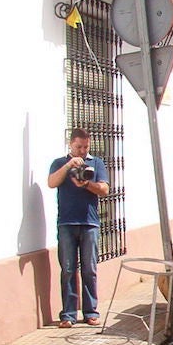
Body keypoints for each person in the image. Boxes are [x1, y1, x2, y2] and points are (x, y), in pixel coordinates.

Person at [47, 127, 109, 328]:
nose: (82, 151)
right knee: (67, 269)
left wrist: (86, 184)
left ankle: (91, 312)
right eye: (78, 147)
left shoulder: (96, 163)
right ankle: (68, 314)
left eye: (85, 147)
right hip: (66, 223)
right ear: (70, 144)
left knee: (89, 269)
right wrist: (68, 166)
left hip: (90, 223)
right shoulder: (59, 163)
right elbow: (51, 182)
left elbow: (104, 189)